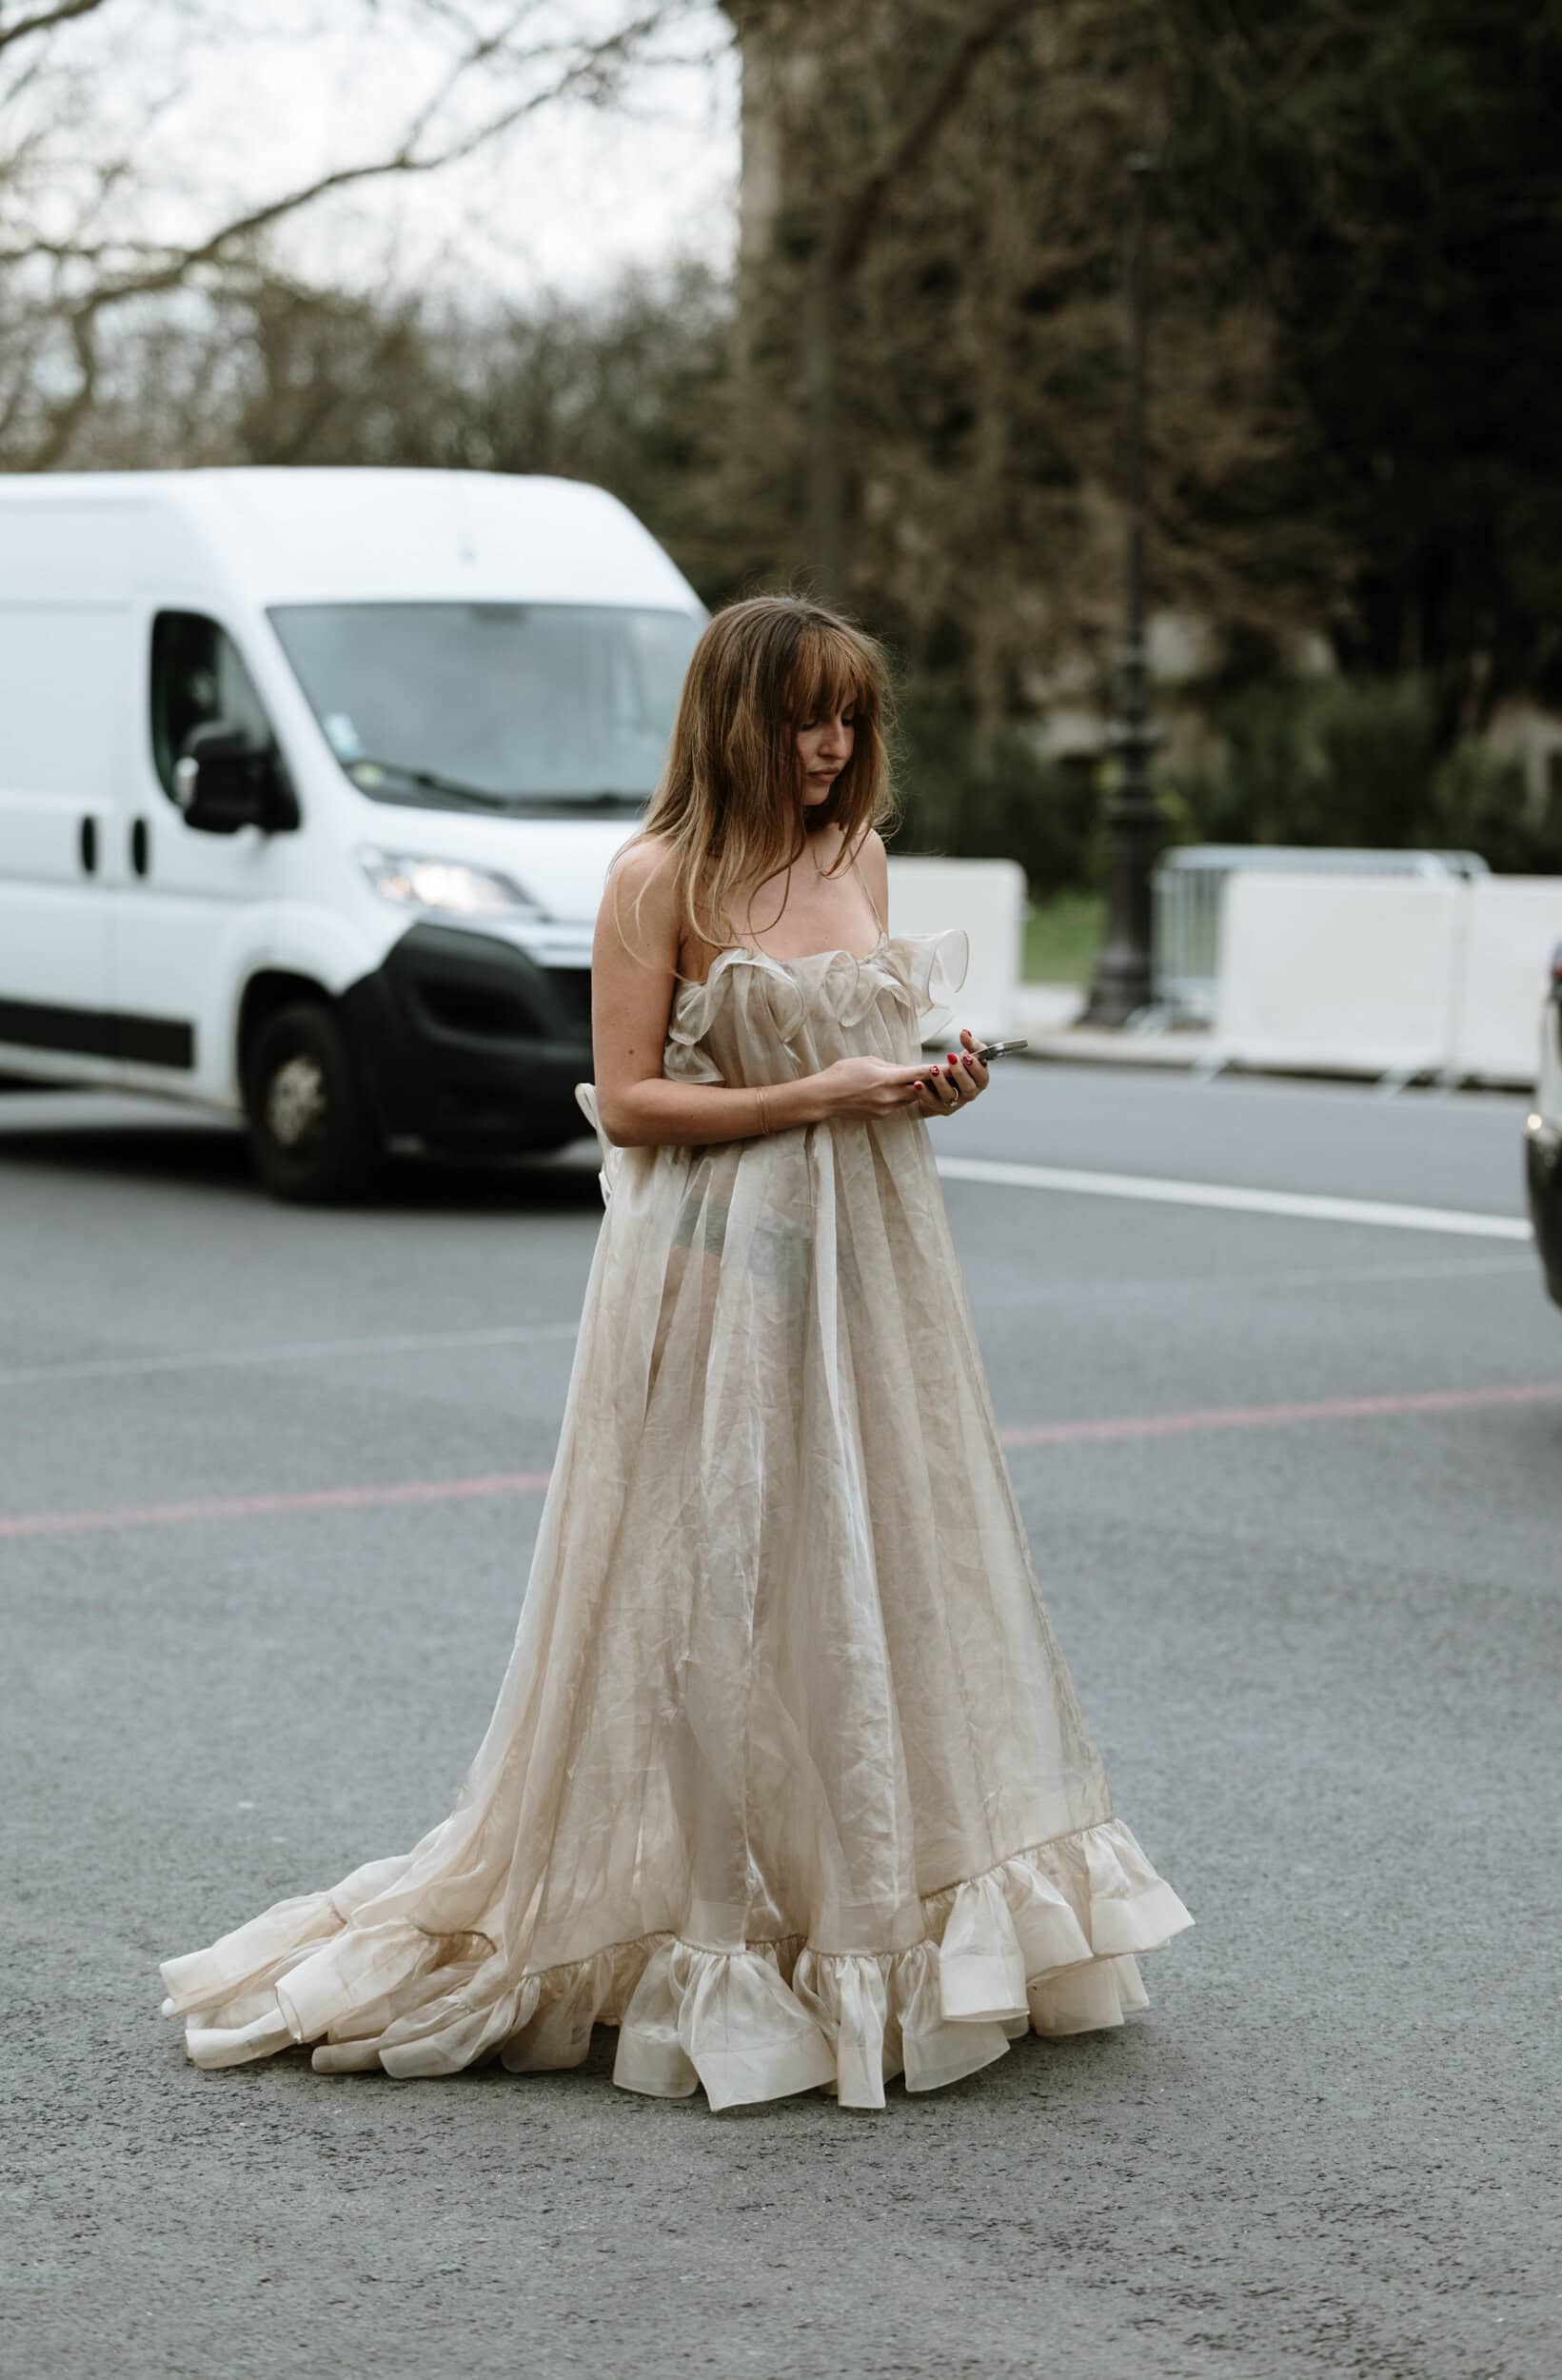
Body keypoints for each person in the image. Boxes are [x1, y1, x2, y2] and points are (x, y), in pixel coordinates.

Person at [159, 594, 1192, 2112]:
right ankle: (709, 1928)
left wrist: (926, 1084)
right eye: (803, 719)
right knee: (711, 1592)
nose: (833, 748)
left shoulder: (858, 857)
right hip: (713, 1269)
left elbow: (864, 1050)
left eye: (850, 718)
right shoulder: (656, 878)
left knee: (873, 1576)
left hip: (873, 1262)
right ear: (734, 720)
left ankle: (872, 1911)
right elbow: (631, 1102)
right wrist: (826, 1092)